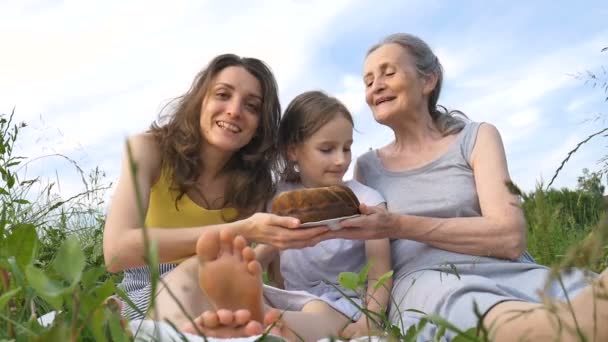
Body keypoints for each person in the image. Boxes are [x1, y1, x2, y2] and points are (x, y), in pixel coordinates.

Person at [315, 33, 608, 341]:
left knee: (576, 291)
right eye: (368, 80)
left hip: (514, 272)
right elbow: (366, 258)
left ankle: (575, 319)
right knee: (466, 307)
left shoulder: (477, 137)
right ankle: (565, 328)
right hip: (427, 282)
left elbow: (510, 237)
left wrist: (397, 224)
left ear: (428, 80)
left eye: (388, 73)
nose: (376, 86)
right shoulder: (366, 167)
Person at [102, 53, 330, 338]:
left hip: (223, 289)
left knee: (323, 312)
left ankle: (259, 328)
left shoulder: (256, 187)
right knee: (200, 267)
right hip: (149, 287)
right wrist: (239, 229)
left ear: (260, 124)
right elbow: (116, 252)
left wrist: (271, 250)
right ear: (201, 100)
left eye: (251, 106)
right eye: (223, 94)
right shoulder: (148, 150)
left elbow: (264, 273)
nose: (234, 111)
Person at [256, 90, 393, 339]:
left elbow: (379, 271)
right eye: (327, 149)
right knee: (244, 290)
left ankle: (269, 328)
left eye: (347, 148)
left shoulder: (366, 200)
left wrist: (368, 320)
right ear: (293, 151)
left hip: (343, 301)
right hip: (291, 296)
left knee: (312, 316)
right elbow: (263, 260)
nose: (341, 160)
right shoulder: (280, 198)